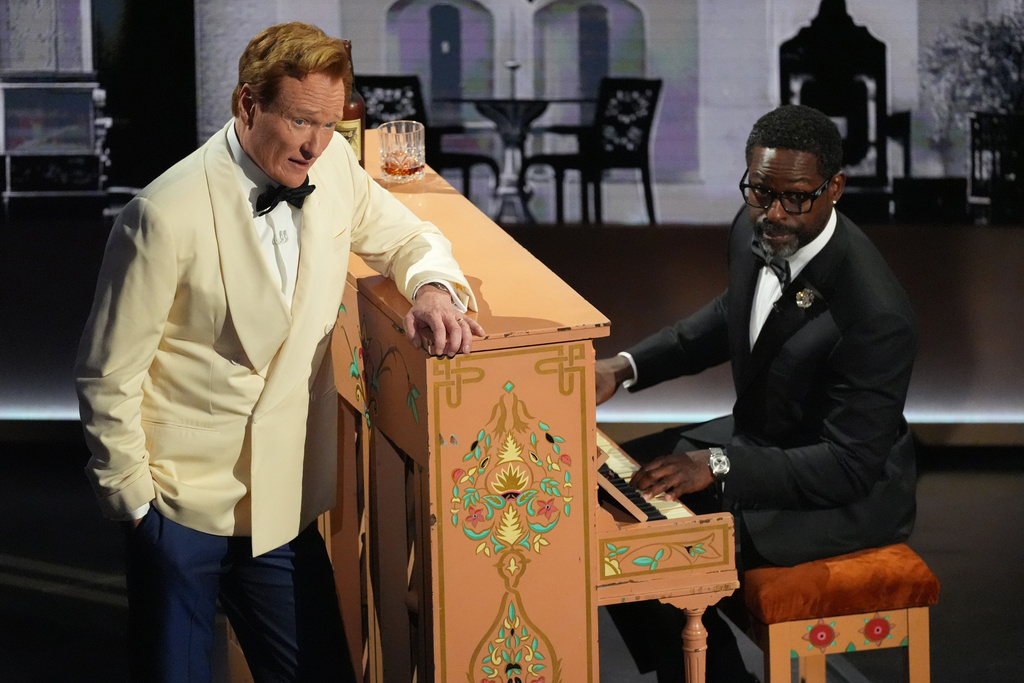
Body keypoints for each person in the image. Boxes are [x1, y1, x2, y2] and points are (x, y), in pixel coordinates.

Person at [75, 22, 484, 683]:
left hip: (282, 506)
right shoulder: (161, 215)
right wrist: (138, 506)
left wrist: (433, 289)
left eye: (329, 124)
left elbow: (410, 238)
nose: (316, 144)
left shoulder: (334, 168)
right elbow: (106, 375)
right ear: (247, 104)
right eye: (299, 121)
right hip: (179, 507)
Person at [596, 104, 917, 681]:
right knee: (607, 498)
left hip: (840, 493)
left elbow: (849, 466)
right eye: (760, 192)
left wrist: (717, 465)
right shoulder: (756, 226)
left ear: (834, 188)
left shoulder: (875, 313)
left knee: (649, 549)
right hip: (762, 440)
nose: (773, 213)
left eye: (794, 198)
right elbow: (732, 314)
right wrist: (624, 367)